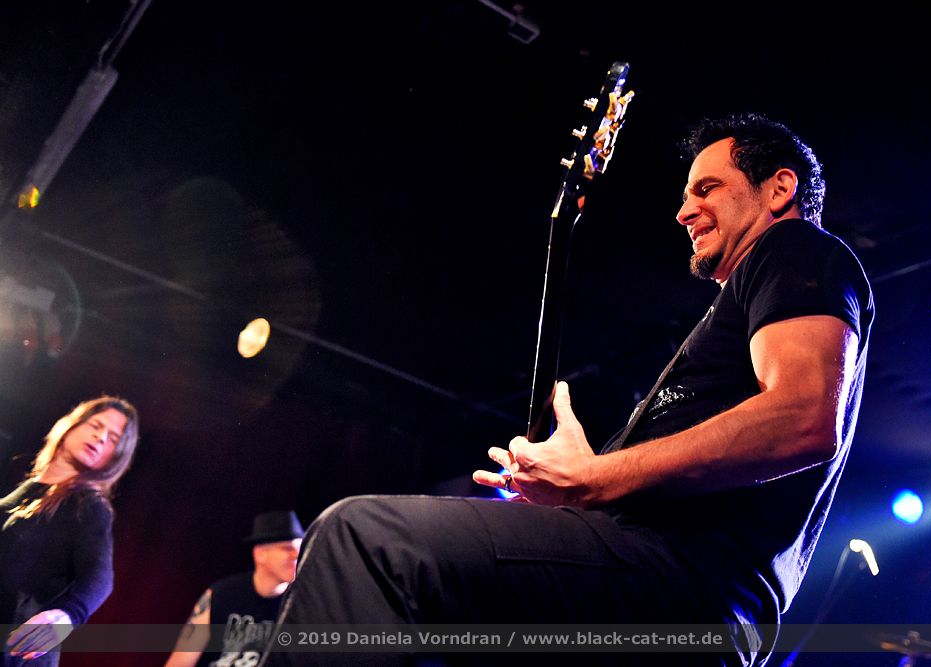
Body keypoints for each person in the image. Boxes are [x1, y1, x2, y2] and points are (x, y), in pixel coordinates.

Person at [260, 113, 874, 667]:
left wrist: (595, 479)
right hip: (676, 592)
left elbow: (802, 416)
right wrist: (572, 496)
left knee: (366, 539)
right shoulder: (742, 306)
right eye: (686, 194)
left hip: (678, 580)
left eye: (706, 189)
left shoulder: (795, 250)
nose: (683, 212)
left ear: (779, 188)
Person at [1, 396, 140, 666]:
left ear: (115, 458)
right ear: (71, 426)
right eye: (96, 425)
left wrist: (66, 616)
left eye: (113, 439)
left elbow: (100, 577)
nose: (101, 438)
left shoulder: (88, 507)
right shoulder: (29, 491)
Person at [165, 510, 304, 667]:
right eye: (287, 548)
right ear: (260, 555)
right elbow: (180, 662)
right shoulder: (221, 595)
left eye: (300, 549)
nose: (296, 556)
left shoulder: (300, 605)